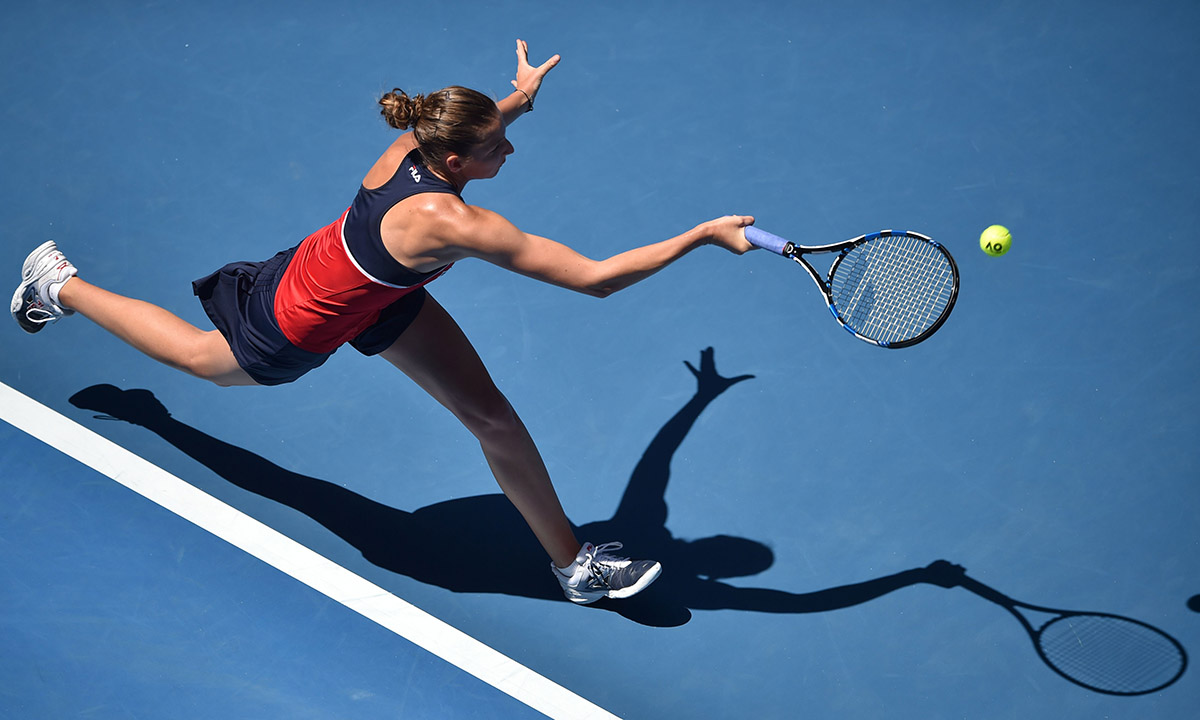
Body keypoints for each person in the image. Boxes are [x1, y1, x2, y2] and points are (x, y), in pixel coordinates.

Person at [11, 39, 755, 604]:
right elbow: (595, 282)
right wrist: (699, 235)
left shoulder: (412, 143)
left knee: (492, 417)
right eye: (498, 146)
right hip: (296, 317)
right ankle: (62, 284)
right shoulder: (453, 222)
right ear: (459, 159)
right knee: (205, 359)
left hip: (368, 285)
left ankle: (575, 566)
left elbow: (474, 125)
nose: (511, 147)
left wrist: (519, 97)